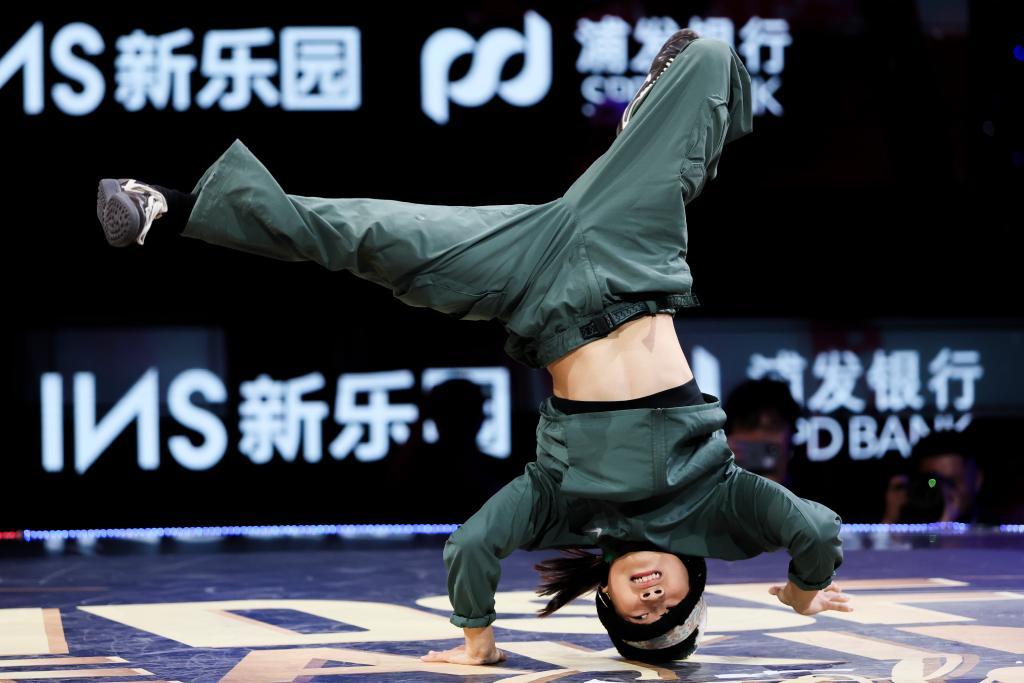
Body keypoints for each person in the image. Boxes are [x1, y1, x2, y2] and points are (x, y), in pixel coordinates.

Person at [95, 30, 851, 666]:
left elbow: (472, 545)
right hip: (628, 251)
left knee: (366, 234)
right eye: (671, 609)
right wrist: (801, 589)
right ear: (693, 582)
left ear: (606, 596)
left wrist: (478, 640)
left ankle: (170, 208)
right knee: (712, 57)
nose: (652, 599)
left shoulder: (562, 506)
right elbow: (815, 528)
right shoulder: (721, 499)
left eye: (639, 616)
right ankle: (644, 132)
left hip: (529, 281)